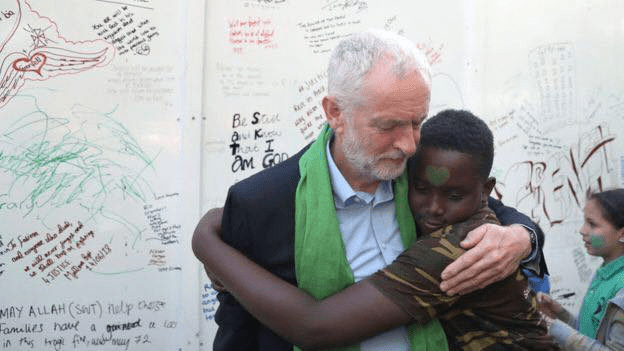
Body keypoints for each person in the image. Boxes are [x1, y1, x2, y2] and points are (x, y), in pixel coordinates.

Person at [196, 29, 542, 351]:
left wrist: (524, 236)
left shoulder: (425, 182)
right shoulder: (261, 202)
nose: (408, 144)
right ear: (335, 112)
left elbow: (484, 209)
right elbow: (237, 333)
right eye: (388, 125)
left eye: (417, 122)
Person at [537, 189, 624, 350]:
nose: (582, 230)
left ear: (622, 234)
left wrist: (553, 326)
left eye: (592, 224)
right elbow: (591, 332)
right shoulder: (605, 273)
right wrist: (561, 314)